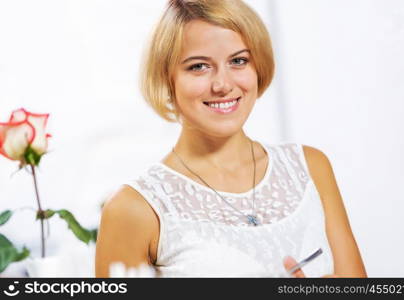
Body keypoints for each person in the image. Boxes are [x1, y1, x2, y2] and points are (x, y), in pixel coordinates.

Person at [95, 0, 367, 278]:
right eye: (199, 66)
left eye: (238, 61)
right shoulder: (133, 209)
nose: (222, 85)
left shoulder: (310, 168)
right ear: (167, 79)